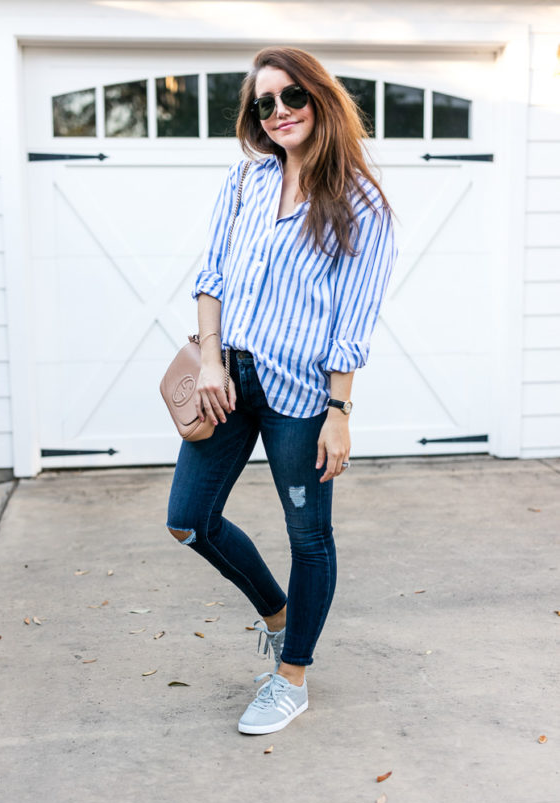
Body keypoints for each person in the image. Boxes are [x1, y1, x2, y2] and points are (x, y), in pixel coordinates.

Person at [167, 46, 396, 735]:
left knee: (310, 538)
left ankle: (291, 677)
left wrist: (339, 412)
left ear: (319, 99)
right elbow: (211, 277)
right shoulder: (244, 183)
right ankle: (278, 613)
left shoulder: (361, 205)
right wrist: (211, 361)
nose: (277, 113)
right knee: (188, 519)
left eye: (290, 96)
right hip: (227, 381)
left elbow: (352, 321)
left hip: (302, 396)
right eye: (263, 103)